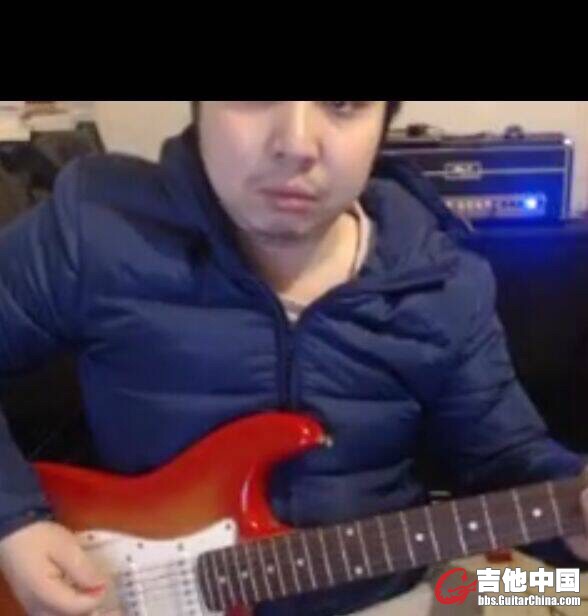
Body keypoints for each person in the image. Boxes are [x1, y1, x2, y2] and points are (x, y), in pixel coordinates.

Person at [0, 101, 587, 616]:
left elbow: (506, 461)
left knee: (544, 593)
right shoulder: (96, 226)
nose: (297, 144)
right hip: (115, 590)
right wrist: (14, 524)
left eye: (343, 103)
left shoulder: (444, 283)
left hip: (389, 596)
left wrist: (574, 515)